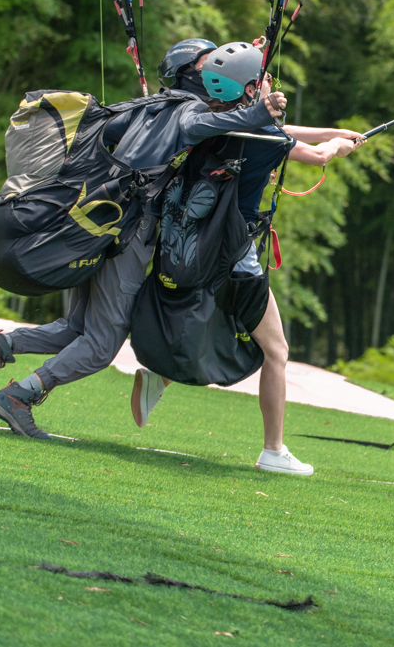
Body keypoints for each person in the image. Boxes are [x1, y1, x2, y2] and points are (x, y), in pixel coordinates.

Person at [0, 38, 289, 439]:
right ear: (193, 73)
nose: (217, 74)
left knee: (78, 328)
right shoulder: (186, 112)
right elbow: (209, 124)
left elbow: (234, 122)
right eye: (210, 66)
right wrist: (261, 109)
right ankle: (20, 396)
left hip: (96, 224)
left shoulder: (148, 107)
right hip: (130, 232)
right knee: (101, 345)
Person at [130, 40, 363, 475]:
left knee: (221, 319)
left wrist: (332, 131)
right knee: (276, 350)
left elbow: (284, 134)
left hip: (194, 248)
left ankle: (161, 374)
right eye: (266, 78)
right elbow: (310, 155)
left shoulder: (208, 117)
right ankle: (273, 450)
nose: (272, 82)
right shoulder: (260, 137)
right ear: (253, 86)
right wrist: (337, 148)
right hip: (235, 257)